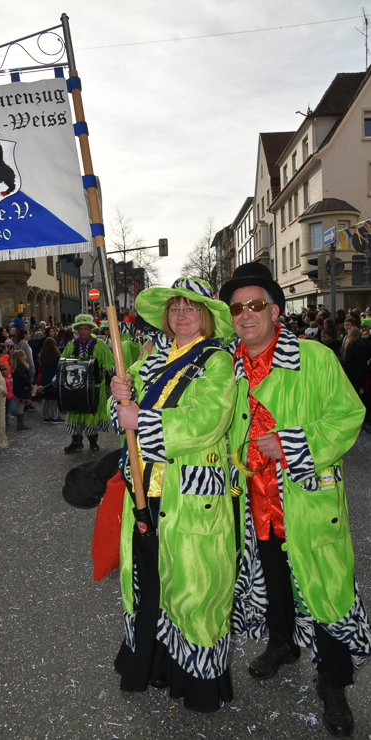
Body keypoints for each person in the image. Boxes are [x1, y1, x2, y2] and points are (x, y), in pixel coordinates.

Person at [218, 262, 370, 737]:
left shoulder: (314, 358)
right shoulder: (225, 369)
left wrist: (291, 443)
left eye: (255, 305)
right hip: (253, 505)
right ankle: (282, 644)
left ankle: (334, 682)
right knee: (272, 581)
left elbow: (348, 415)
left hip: (306, 500)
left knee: (325, 589)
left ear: (274, 311)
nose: (245, 314)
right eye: (237, 308)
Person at [110, 278, 237, 713]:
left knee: (194, 584)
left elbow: (208, 421)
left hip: (190, 491)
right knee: (150, 576)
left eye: (191, 308)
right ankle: (152, 663)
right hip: (146, 487)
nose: (181, 315)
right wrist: (119, 398)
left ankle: (197, 682)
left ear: (206, 317)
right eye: (176, 308)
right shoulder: (150, 359)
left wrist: (140, 420)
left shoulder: (217, 362)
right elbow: (121, 416)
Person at [62, 314, 115, 453]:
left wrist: (113, 372)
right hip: (75, 386)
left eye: (85, 328)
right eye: (80, 329)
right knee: (75, 412)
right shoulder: (71, 345)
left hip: (95, 387)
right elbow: (63, 363)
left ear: (91, 329)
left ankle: (93, 441)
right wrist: (58, 378)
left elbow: (109, 362)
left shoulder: (100, 345)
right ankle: (76, 441)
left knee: (92, 413)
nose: (83, 331)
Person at [38, 337, 62, 423]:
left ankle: (46, 416)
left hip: (45, 378)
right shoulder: (55, 354)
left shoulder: (43, 354)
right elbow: (58, 367)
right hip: (53, 379)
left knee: (47, 398)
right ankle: (54, 416)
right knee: (54, 399)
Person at [10, 349, 32, 431]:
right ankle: (20, 424)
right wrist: (28, 384)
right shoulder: (22, 367)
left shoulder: (16, 367)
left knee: (20, 405)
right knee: (21, 406)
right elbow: (23, 377)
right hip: (22, 389)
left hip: (18, 389)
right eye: (24, 355)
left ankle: (20, 424)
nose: (25, 356)